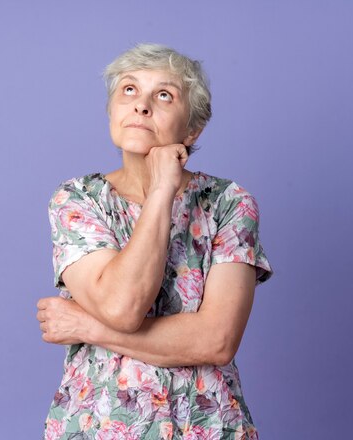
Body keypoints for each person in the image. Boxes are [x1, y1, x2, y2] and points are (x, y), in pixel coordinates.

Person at [36, 43, 272, 440]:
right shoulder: (77, 200)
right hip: (98, 425)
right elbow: (122, 305)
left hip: (205, 427)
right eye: (128, 90)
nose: (141, 105)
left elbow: (217, 341)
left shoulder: (229, 203)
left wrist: (89, 326)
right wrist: (162, 189)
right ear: (112, 110)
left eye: (164, 95)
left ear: (193, 128)